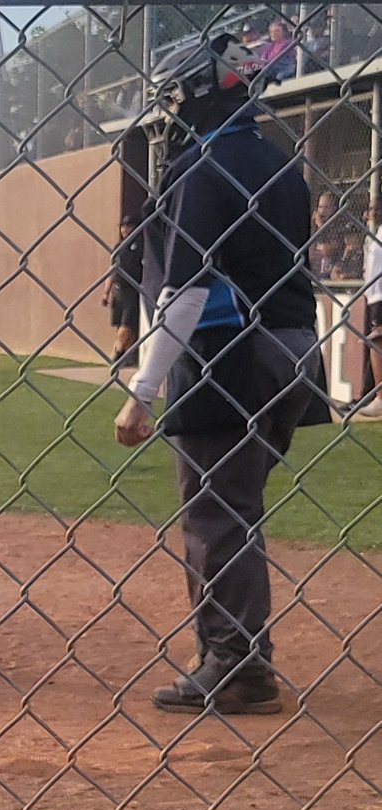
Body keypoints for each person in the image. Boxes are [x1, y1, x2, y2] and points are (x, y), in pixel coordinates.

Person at [114, 35, 327, 715]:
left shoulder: (202, 166)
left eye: (172, 97)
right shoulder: (275, 159)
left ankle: (235, 661)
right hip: (294, 350)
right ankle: (234, 651)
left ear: (201, 94)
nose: (167, 112)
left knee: (214, 511)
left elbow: (186, 289)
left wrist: (140, 392)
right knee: (235, 505)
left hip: (233, 353)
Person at [102, 215, 144, 366]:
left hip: (133, 290)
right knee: (122, 325)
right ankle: (128, 355)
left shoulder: (141, 245)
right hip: (119, 290)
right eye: (123, 226)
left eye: (128, 226)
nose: (125, 229)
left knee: (128, 325)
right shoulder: (118, 248)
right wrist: (107, 292)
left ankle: (118, 354)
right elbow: (113, 271)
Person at [359, 202, 382, 416]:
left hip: (379, 293)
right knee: (375, 339)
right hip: (375, 292)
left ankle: (380, 396)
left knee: (377, 339)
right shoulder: (375, 235)